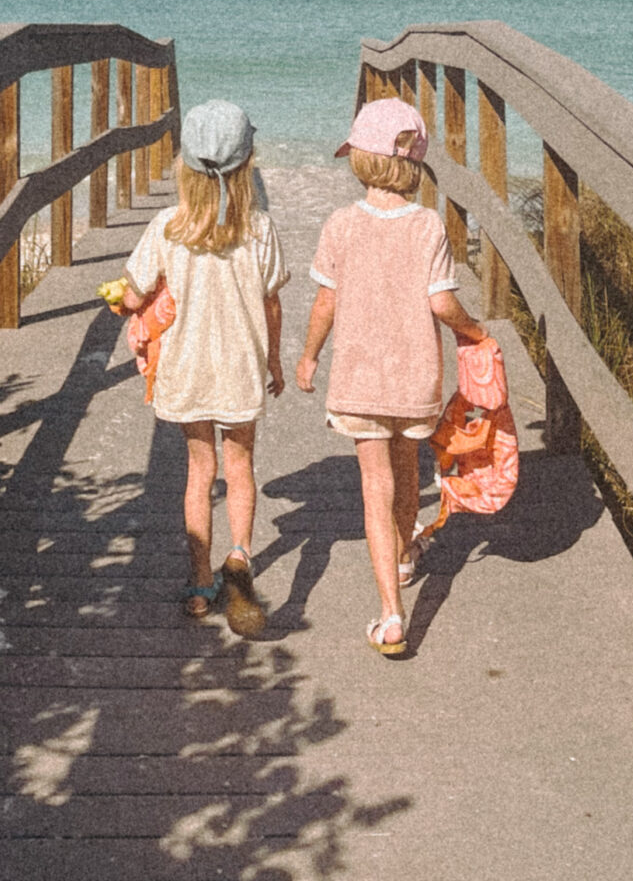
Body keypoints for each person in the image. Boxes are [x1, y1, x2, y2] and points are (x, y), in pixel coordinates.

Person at [296, 97, 486, 656]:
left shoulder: (340, 225)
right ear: (414, 165)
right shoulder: (428, 226)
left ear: (358, 158)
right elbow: (444, 304)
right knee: (408, 477)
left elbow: (325, 303)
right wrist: (473, 331)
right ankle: (406, 557)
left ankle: (390, 614)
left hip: (358, 380)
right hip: (415, 382)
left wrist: (309, 357)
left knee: (374, 488)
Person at [119, 99, 288, 636]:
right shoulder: (259, 229)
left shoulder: (167, 228)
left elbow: (130, 294)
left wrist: (124, 301)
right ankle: (238, 556)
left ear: (183, 169)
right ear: (246, 168)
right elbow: (272, 304)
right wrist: (276, 361)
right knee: (240, 467)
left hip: (188, 369)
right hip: (241, 366)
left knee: (200, 473)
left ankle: (199, 583)